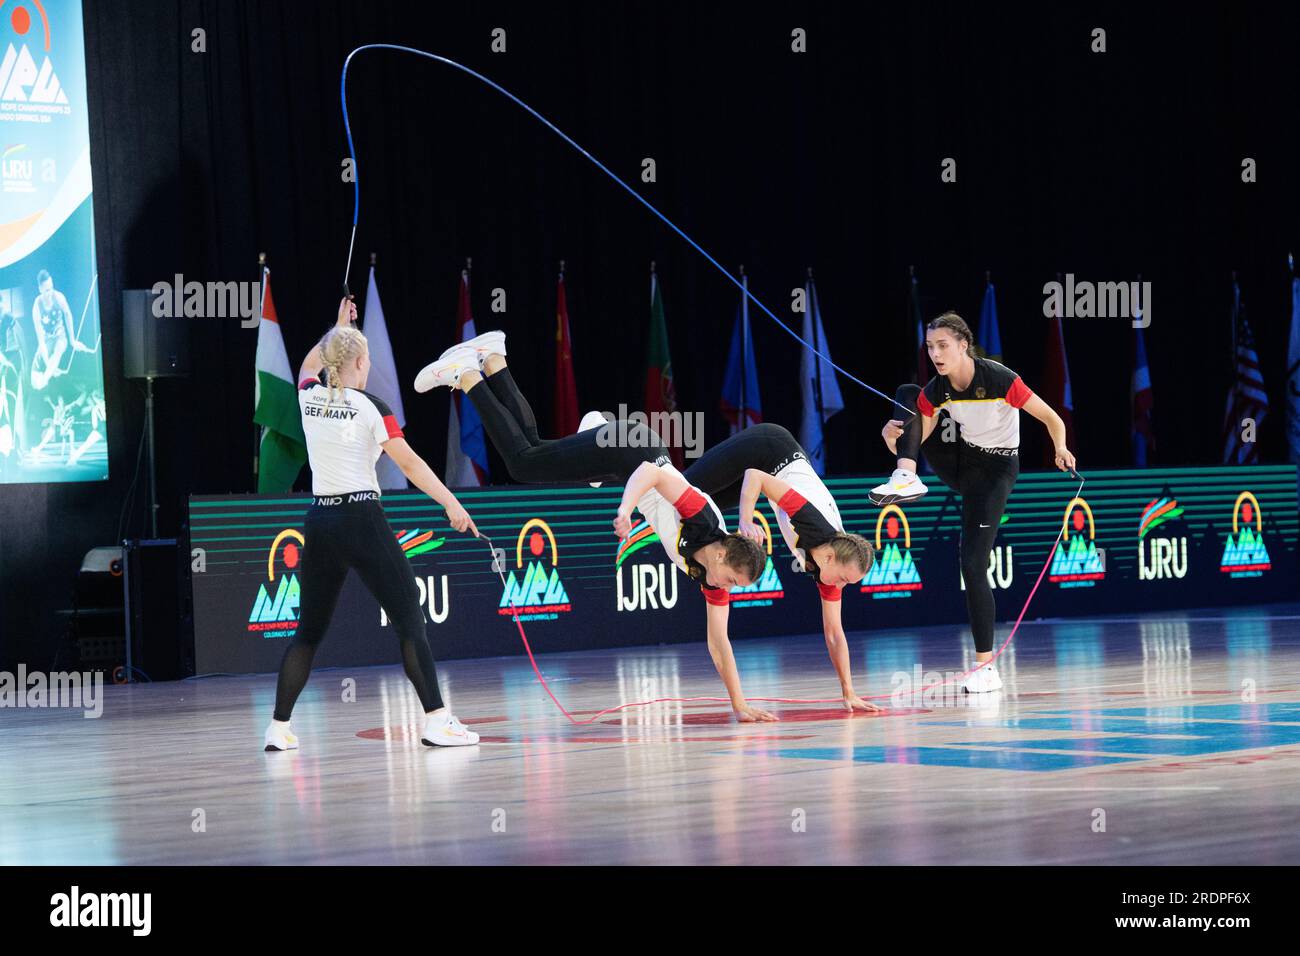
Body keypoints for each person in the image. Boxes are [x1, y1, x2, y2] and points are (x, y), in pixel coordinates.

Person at [417, 337, 774, 721]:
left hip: (625, 461)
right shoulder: (703, 518)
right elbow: (652, 472)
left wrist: (739, 705)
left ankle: (494, 358)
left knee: (535, 449)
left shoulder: (712, 576)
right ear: (722, 553)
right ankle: (467, 373)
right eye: (733, 581)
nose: (728, 589)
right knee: (523, 463)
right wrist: (626, 509)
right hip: (633, 452)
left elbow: (719, 644)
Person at [264, 296, 481, 751]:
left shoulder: (308, 397)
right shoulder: (371, 407)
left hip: (320, 521)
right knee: (409, 622)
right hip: (362, 518)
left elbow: (308, 363)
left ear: (330, 363)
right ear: (361, 363)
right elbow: (412, 465)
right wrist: (451, 503)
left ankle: (278, 728)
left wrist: (337, 327)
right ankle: (437, 720)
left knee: (307, 632)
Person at [871, 311, 1076, 693]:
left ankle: (986, 668)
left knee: (972, 562)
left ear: (964, 345)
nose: (935, 353)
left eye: (943, 345)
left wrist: (1061, 447)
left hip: (996, 471)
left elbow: (1051, 418)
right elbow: (923, 429)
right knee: (906, 393)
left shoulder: (1000, 378)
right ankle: (905, 477)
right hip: (961, 458)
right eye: (930, 346)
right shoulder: (938, 387)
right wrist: (898, 439)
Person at [683, 423, 879, 712]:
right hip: (770, 447)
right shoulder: (811, 520)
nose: (840, 587)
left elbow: (834, 632)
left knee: (698, 506)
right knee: (681, 490)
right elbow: (755, 476)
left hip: (775, 473)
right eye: (843, 579)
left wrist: (849, 693)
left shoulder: (829, 565)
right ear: (829, 559)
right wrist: (746, 521)